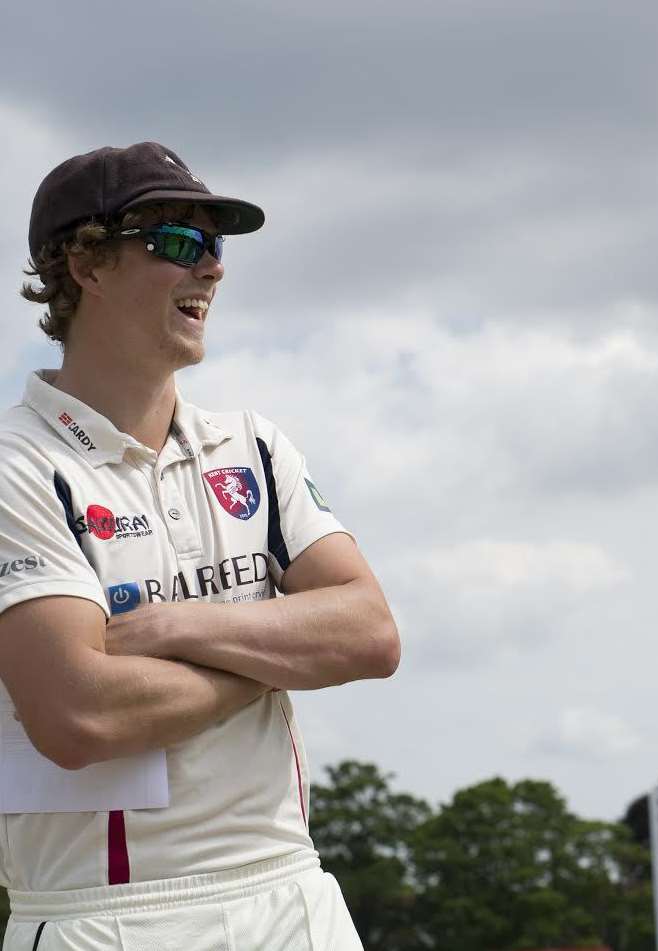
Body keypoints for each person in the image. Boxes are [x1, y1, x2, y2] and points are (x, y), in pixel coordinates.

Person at [0, 142, 401, 950]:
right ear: (87, 263)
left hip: (291, 892)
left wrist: (182, 626)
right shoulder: (17, 466)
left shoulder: (254, 445)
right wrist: (272, 654)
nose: (212, 269)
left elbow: (370, 634)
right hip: (107, 914)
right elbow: (78, 713)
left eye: (214, 246)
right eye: (178, 243)